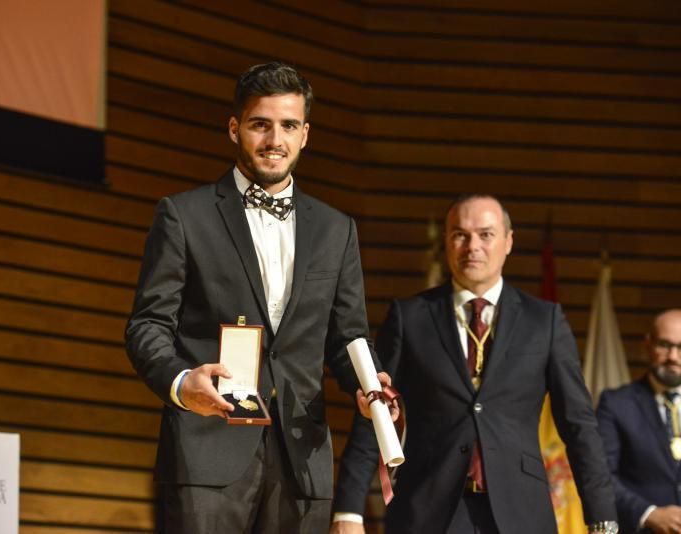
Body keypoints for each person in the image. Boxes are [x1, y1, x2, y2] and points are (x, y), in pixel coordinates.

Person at [125, 62, 380, 533]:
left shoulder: (336, 230)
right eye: (260, 124)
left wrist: (367, 386)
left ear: (305, 134)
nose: (273, 140)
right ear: (234, 128)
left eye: (287, 126)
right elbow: (147, 326)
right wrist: (182, 383)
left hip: (302, 458)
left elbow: (348, 336)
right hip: (206, 452)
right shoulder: (184, 215)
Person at [332, 194, 618, 534]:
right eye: (460, 235)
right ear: (447, 242)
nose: (473, 246)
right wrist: (348, 511)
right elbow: (375, 413)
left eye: (486, 234)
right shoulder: (410, 317)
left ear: (509, 242)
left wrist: (603, 519)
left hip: (522, 512)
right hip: (427, 510)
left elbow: (578, 424)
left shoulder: (545, 321)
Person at [597, 309, 681, 534]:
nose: (673, 356)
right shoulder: (615, 403)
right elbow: (601, 476)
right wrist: (650, 513)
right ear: (648, 344)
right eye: (665, 345)